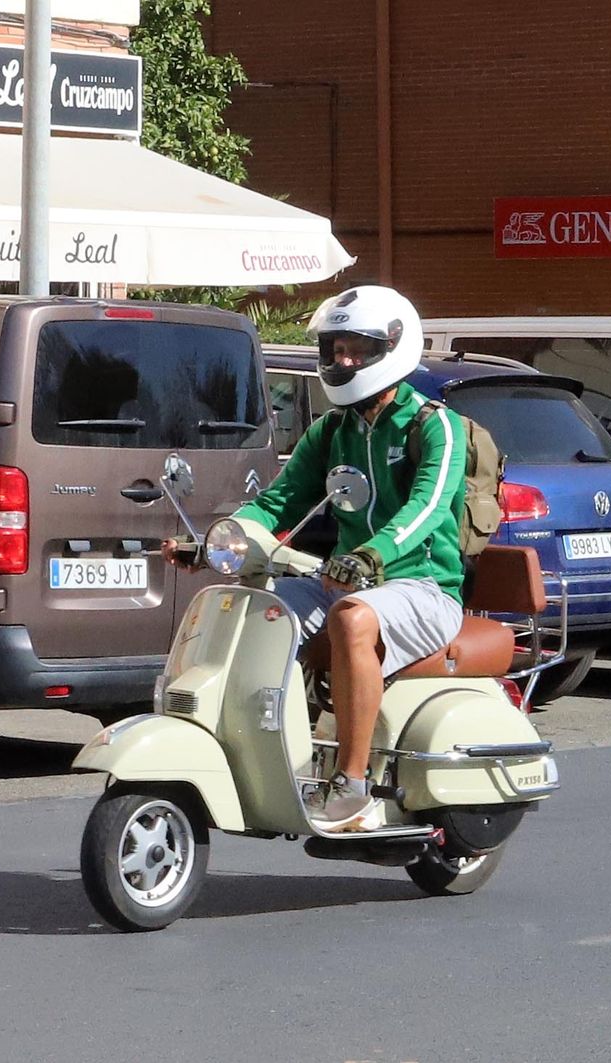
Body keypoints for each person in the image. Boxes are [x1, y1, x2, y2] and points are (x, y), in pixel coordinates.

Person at [169, 285, 467, 831]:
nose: (343, 361)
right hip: (351, 579)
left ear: (394, 347)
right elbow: (278, 500)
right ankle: (272, 751)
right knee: (258, 607)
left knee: (352, 620)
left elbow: (428, 506)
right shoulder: (332, 430)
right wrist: (223, 539)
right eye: (335, 350)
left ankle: (353, 786)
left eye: (357, 349)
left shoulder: (435, 425)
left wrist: (372, 557)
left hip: (423, 587)